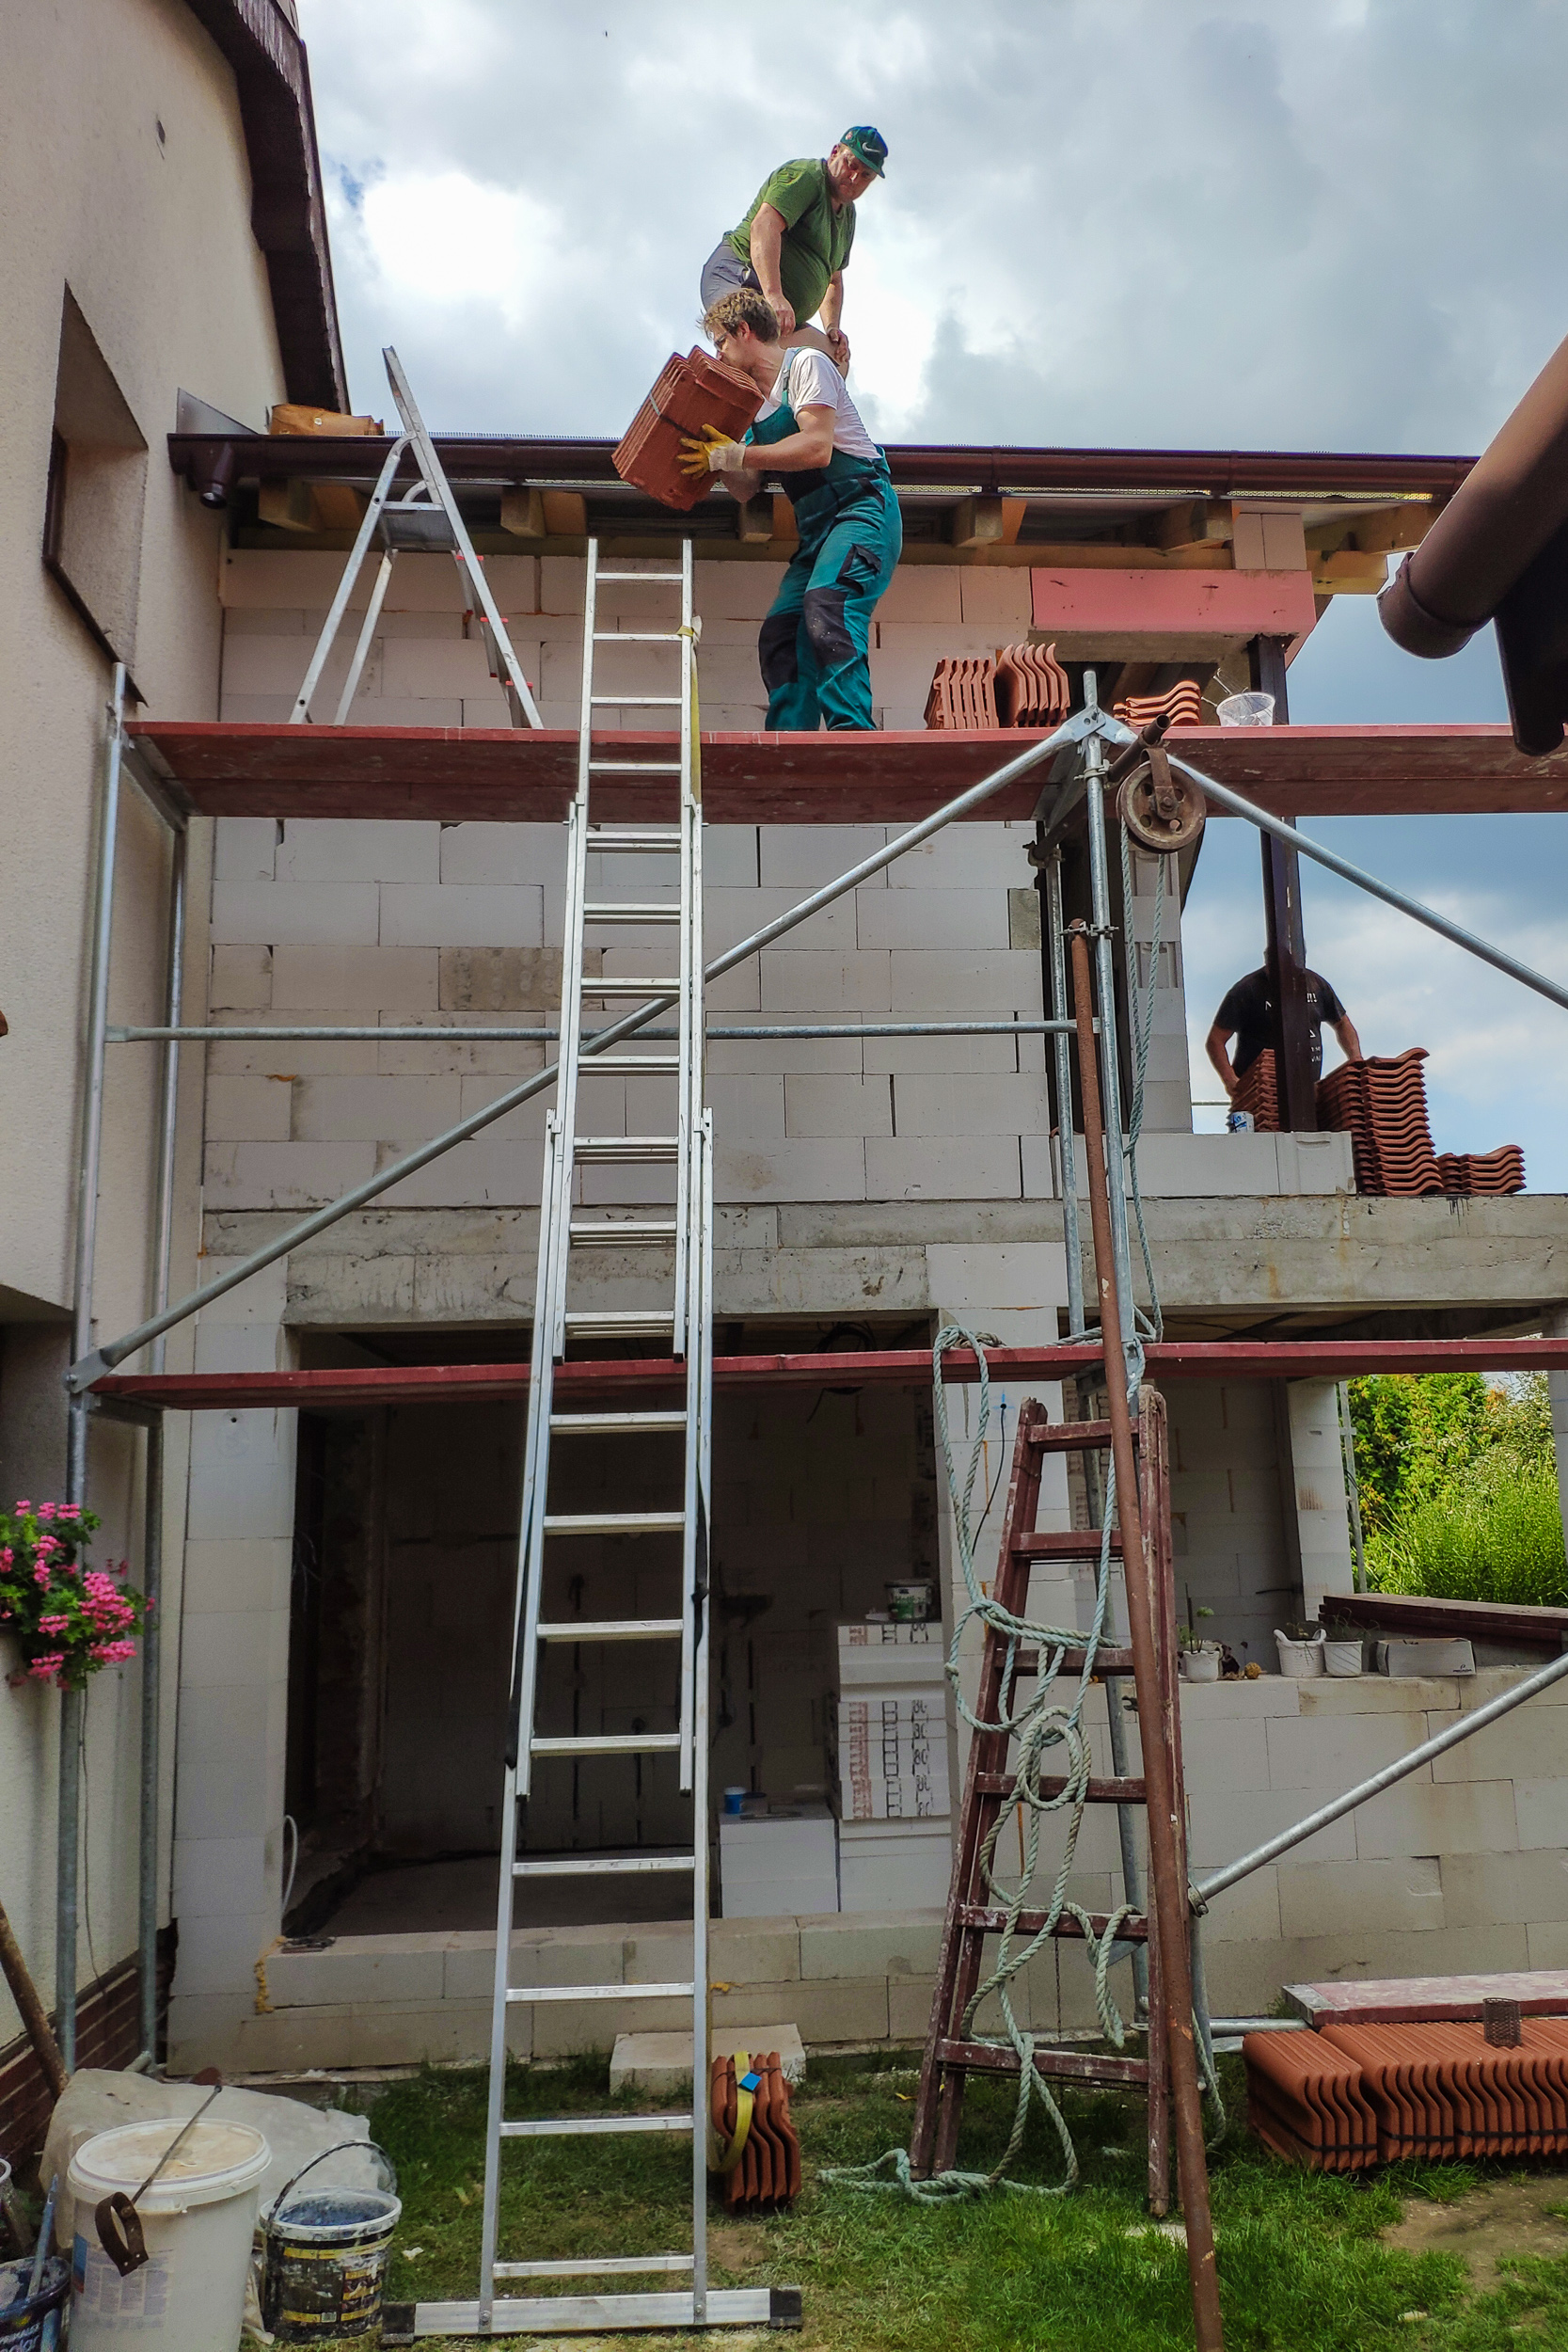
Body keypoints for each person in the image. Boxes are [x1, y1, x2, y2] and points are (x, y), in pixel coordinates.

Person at [680, 286, 902, 733]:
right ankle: (790, 744)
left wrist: (739, 455)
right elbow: (747, 489)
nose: (718, 354)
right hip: (818, 533)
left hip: (862, 509)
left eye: (721, 341)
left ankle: (852, 737)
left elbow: (817, 447)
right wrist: (717, 456)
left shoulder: (806, 365)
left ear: (744, 331)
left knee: (829, 605)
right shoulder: (751, 406)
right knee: (782, 632)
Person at [698, 128, 888, 375]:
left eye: (865, 175)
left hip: (781, 317)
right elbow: (764, 226)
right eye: (851, 165)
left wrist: (832, 327)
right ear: (835, 152)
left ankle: (789, 398)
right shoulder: (806, 177)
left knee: (835, 363)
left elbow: (833, 280)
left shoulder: (848, 216)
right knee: (752, 342)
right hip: (739, 277)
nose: (854, 178)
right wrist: (774, 296)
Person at [1206, 965, 1363, 1098]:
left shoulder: (1316, 984)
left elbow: (1343, 1024)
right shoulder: (1248, 989)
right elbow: (1216, 1040)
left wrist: (1355, 1059)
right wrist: (1230, 1079)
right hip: (1259, 1095)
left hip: (1307, 1091)